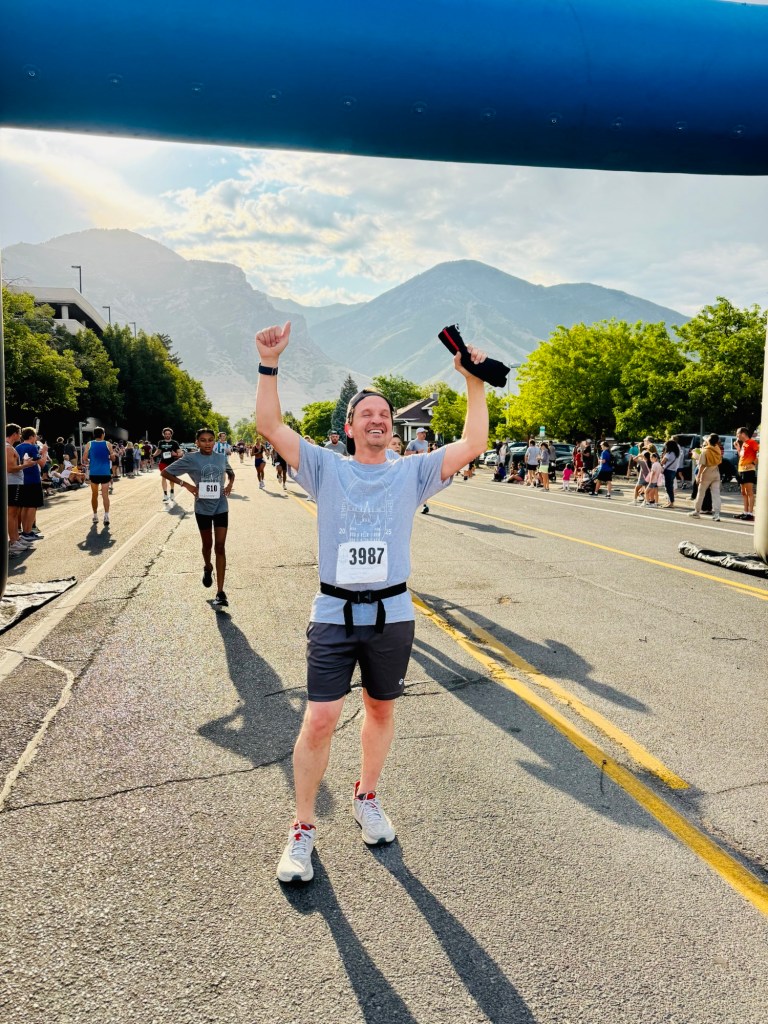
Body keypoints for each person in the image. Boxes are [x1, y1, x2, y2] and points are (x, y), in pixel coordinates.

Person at [254, 321, 488, 884]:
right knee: (320, 718)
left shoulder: (413, 472)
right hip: (334, 613)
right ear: (350, 427)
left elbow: (473, 444)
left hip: (393, 614)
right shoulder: (325, 467)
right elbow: (270, 425)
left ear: (392, 426)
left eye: (384, 413)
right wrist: (269, 364)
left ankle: (367, 797)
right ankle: (303, 828)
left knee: (381, 710)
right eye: (367, 414)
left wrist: (473, 381)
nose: (378, 419)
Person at [161, 427, 235, 607]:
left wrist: (229, 484)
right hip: (202, 507)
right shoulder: (191, 458)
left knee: (220, 546)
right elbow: (165, 472)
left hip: (221, 505)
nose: (207, 443)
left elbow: (230, 473)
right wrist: (187, 485)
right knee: (207, 545)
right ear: (197, 442)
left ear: (214, 441)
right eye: (203, 440)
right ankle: (207, 567)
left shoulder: (221, 457)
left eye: (210, 440)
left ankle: (220, 592)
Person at [15, 427, 48, 545]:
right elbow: (42, 464)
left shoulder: (18, 447)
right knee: (32, 506)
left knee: (25, 506)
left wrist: (40, 453)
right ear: (31, 437)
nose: (36, 438)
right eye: (35, 436)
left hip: (21, 480)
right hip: (33, 480)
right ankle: (28, 532)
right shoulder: (32, 447)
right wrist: (45, 452)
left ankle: (25, 532)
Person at [6, 423, 34, 556]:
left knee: (14, 513)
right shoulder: (8, 448)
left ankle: (16, 539)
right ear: (14, 434)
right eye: (19, 433)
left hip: (14, 483)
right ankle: (13, 542)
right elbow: (10, 468)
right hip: (12, 484)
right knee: (12, 513)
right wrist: (25, 465)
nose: (21, 435)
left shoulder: (9, 447)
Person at [688, 434, 722, 521]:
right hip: (716, 472)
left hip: (706, 472)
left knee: (701, 493)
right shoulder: (717, 449)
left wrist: (698, 476)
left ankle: (697, 511)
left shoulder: (705, 451)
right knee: (716, 494)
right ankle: (717, 514)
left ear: (708, 441)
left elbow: (702, 465)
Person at [83, 427, 113, 525]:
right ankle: (106, 516)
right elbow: (113, 458)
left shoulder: (89, 444)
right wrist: (110, 457)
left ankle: (95, 516)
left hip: (94, 473)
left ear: (94, 434)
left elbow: (84, 458)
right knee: (105, 495)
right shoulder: (108, 444)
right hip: (105, 472)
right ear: (103, 434)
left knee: (94, 495)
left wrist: (90, 461)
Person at [734, 426, 759, 521]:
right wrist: (738, 448)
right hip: (741, 470)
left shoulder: (752, 442)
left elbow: (759, 452)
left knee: (749, 492)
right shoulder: (744, 443)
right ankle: (745, 512)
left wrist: (753, 463)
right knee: (743, 492)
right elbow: (742, 456)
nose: (736, 435)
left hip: (749, 470)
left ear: (743, 434)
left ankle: (750, 513)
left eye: (737, 433)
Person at [405, 427, 431, 513]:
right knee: (415, 487)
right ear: (418, 434)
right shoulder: (413, 443)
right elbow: (406, 453)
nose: (424, 434)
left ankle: (425, 505)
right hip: (415, 467)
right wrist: (416, 452)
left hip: (424, 467)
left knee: (424, 486)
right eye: (422, 433)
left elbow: (426, 453)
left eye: (425, 433)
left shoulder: (426, 442)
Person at [154, 428, 181, 502]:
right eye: (166, 434)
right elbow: (158, 451)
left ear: (171, 434)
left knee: (171, 478)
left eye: (169, 434)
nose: (167, 435)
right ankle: (165, 495)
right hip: (163, 462)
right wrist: (153, 455)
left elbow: (180, 452)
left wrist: (176, 454)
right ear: (163, 434)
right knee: (163, 477)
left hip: (172, 463)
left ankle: (172, 492)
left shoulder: (174, 443)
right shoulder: (161, 442)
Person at [660, 439, 681, 508]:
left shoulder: (669, 454)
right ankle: (670, 502)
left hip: (668, 471)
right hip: (674, 471)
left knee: (668, 488)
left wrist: (663, 455)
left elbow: (662, 462)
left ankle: (671, 502)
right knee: (670, 487)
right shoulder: (677, 454)